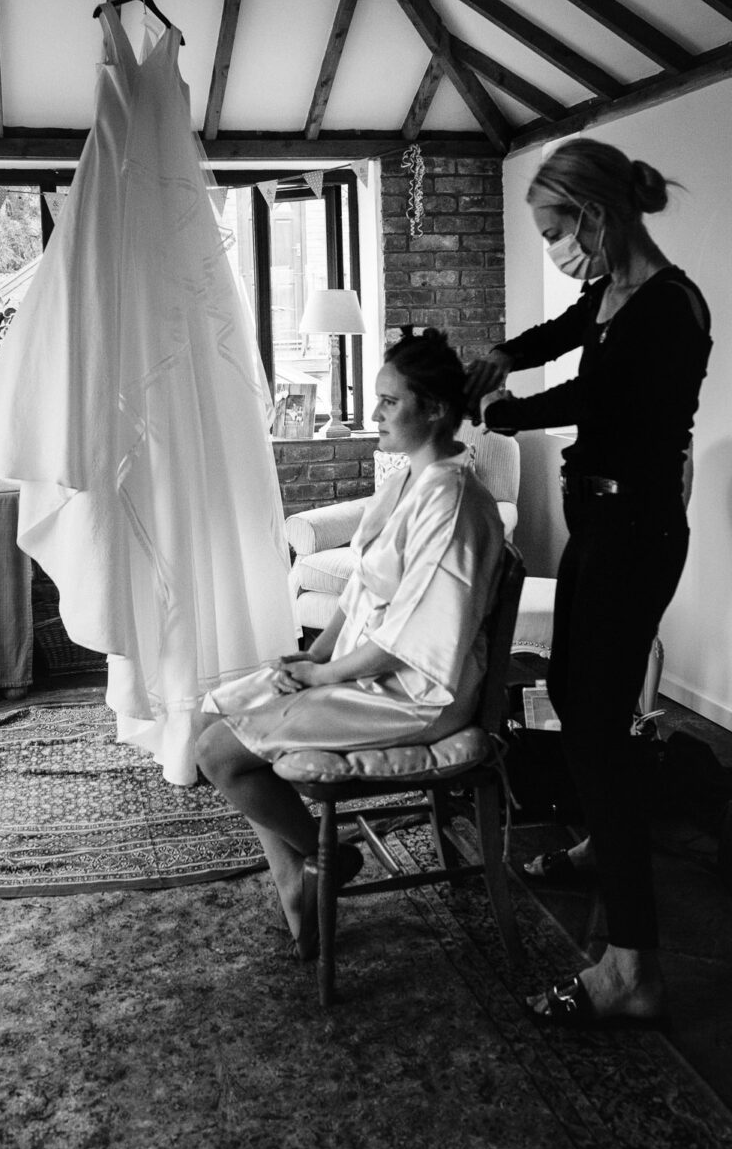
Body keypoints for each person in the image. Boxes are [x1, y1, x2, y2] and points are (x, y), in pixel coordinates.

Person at [465, 138, 711, 1031]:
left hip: (636, 535)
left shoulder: (671, 308)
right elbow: (563, 337)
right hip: (598, 525)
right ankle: (603, 840)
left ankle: (631, 966)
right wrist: (498, 354)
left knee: (596, 724)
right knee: (574, 694)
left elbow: (595, 399)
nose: (555, 249)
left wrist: (505, 412)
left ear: (596, 216)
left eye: (554, 230)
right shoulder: (608, 293)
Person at [197, 329, 505, 959]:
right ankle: (302, 876)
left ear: (437, 410)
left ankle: (319, 861)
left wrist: (324, 678)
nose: (373, 415)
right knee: (210, 718)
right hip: (363, 668)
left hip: (416, 691)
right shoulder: (404, 484)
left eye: (390, 402)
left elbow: (410, 636)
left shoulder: (454, 500)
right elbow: (360, 590)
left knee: (220, 755)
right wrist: (315, 656)